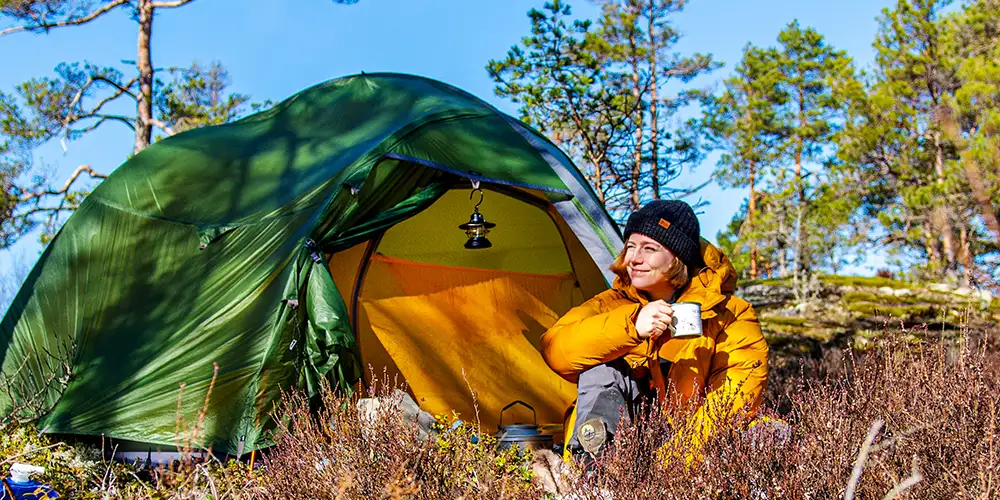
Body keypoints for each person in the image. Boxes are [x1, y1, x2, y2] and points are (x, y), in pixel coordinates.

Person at [540, 200, 769, 461]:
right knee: (602, 368)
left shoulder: (730, 314)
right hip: (622, 443)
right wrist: (632, 326)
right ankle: (593, 470)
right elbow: (555, 350)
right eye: (630, 247)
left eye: (650, 249)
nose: (634, 259)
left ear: (678, 257)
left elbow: (732, 399)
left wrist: (667, 467)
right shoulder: (611, 304)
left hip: (691, 449)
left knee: (768, 433)